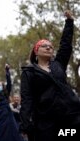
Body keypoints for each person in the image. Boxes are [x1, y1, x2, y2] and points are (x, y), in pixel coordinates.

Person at [20, 11, 80, 141]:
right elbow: (27, 99)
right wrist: (25, 125)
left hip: (70, 118)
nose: (49, 48)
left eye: (51, 47)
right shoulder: (28, 72)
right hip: (47, 124)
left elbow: (65, 45)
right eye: (44, 46)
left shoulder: (58, 65)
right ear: (36, 51)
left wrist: (69, 22)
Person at [0, 64, 22, 141]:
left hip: (9, 121)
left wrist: (7, 71)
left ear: (3, 87)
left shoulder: (5, 94)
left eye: (0, 85)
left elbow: (9, 83)